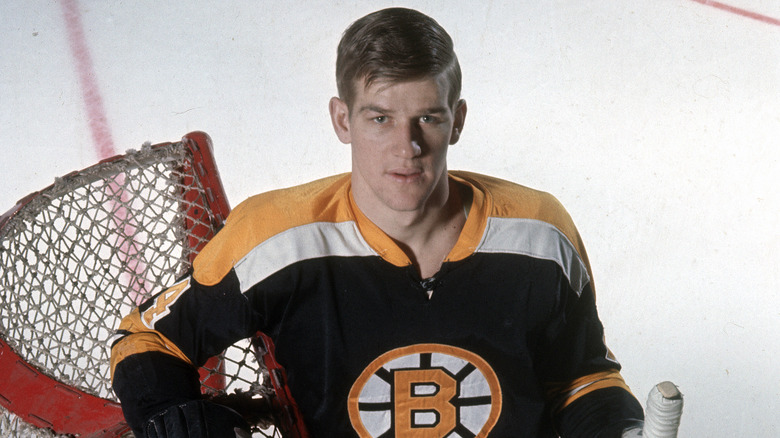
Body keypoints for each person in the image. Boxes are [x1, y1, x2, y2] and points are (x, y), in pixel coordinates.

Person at [111, 7, 645, 437]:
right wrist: (168, 416)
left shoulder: (539, 233)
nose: (406, 147)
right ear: (343, 119)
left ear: (456, 120)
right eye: (380, 118)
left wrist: (614, 427)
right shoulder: (276, 239)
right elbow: (146, 340)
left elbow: (581, 375)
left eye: (428, 119)